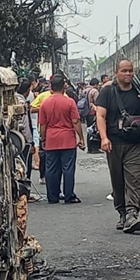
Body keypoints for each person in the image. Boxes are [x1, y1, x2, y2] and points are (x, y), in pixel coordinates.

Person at [96, 59, 140, 233]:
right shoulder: (107, 91)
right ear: (116, 72)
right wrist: (104, 138)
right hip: (114, 143)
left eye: (130, 71)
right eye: (124, 71)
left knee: (135, 179)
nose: (128, 74)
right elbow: (100, 116)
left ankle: (132, 214)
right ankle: (122, 213)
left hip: (136, 143)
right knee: (118, 180)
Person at [39, 75, 85, 204]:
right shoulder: (69, 102)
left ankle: (52, 196)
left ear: (50, 87)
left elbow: (43, 124)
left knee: (51, 169)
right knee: (68, 169)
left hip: (51, 138)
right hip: (67, 139)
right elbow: (75, 121)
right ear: (64, 86)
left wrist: (43, 138)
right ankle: (69, 195)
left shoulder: (45, 103)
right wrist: (81, 138)